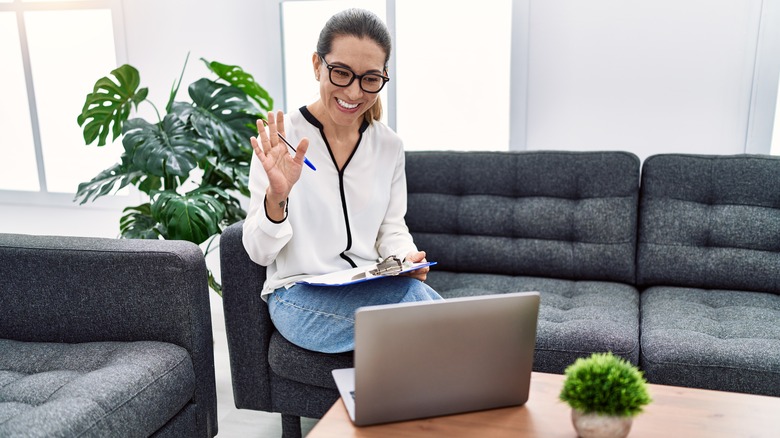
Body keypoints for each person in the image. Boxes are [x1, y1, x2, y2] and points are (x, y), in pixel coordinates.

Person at [242, 8, 442, 354]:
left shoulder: (389, 145)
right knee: (430, 319)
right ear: (318, 65)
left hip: (368, 285)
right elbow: (259, 253)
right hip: (298, 298)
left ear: (383, 76)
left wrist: (406, 258)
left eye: (369, 78)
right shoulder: (281, 139)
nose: (354, 92)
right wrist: (277, 196)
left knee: (415, 301)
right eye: (341, 73)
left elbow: (391, 228)